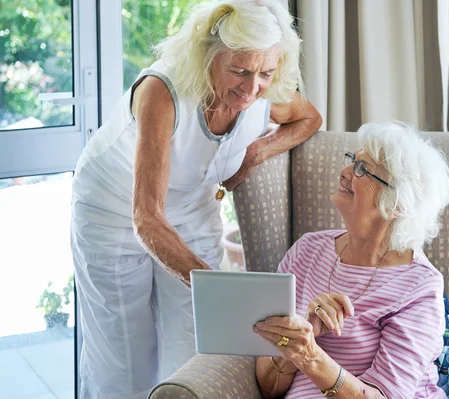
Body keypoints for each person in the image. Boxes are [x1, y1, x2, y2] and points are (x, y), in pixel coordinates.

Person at [70, 1, 321, 398]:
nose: (252, 86)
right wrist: (216, 287)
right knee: (123, 363)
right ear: (209, 55)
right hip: (115, 212)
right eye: (239, 70)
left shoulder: (261, 92)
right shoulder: (161, 92)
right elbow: (147, 218)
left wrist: (253, 154)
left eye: (265, 73)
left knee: (195, 350)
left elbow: (309, 119)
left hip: (191, 210)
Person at [253, 121, 449, 398]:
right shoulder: (307, 252)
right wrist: (301, 337)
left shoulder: (419, 285)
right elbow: (269, 387)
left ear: (397, 203)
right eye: (352, 161)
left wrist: (310, 355)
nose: (344, 172)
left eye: (362, 169)